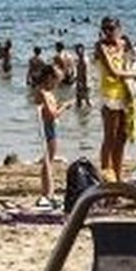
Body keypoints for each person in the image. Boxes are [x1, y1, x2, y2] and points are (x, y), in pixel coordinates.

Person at [93, 17, 136, 181]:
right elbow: (113, 72)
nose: (108, 32)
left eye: (111, 28)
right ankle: (107, 179)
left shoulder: (124, 43)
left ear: (119, 28)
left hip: (126, 93)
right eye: (105, 29)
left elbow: (132, 62)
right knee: (110, 137)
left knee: (122, 137)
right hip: (110, 95)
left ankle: (118, 177)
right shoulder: (100, 46)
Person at [33, 65, 70, 206]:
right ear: (50, 78)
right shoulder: (43, 93)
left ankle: (49, 192)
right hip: (47, 128)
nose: (57, 85)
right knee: (48, 161)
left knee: (49, 160)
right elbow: (51, 114)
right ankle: (47, 193)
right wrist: (64, 107)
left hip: (50, 127)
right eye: (57, 81)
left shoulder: (47, 93)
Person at [72, 40, 91, 109]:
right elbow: (80, 72)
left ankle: (87, 116)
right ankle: (82, 117)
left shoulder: (83, 60)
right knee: (80, 100)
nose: (76, 52)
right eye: (76, 50)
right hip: (81, 82)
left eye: (77, 50)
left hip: (82, 82)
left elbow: (84, 73)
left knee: (86, 100)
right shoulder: (82, 59)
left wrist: (83, 84)